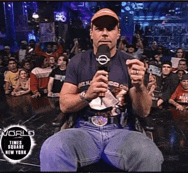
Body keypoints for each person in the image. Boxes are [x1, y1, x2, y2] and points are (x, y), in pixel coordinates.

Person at [40, 8, 163, 172]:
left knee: (149, 154)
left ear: (118, 33)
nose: (105, 34)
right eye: (99, 28)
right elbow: (64, 104)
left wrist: (140, 86)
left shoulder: (130, 63)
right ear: (91, 33)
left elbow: (144, 111)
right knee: (52, 148)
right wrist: (87, 94)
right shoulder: (78, 61)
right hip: (84, 131)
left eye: (110, 28)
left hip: (121, 132)